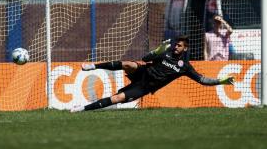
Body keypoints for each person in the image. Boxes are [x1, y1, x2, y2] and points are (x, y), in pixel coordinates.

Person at [70, 36, 234, 112]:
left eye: (180, 46)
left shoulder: (185, 67)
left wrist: (221, 81)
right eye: (176, 44)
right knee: (128, 63)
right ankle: (93, 66)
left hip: (145, 86)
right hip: (143, 72)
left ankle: (82, 109)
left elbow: (202, 80)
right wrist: (157, 51)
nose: (176, 47)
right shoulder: (165, 53)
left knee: (117, 98)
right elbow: (145, 58)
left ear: (185, 49)